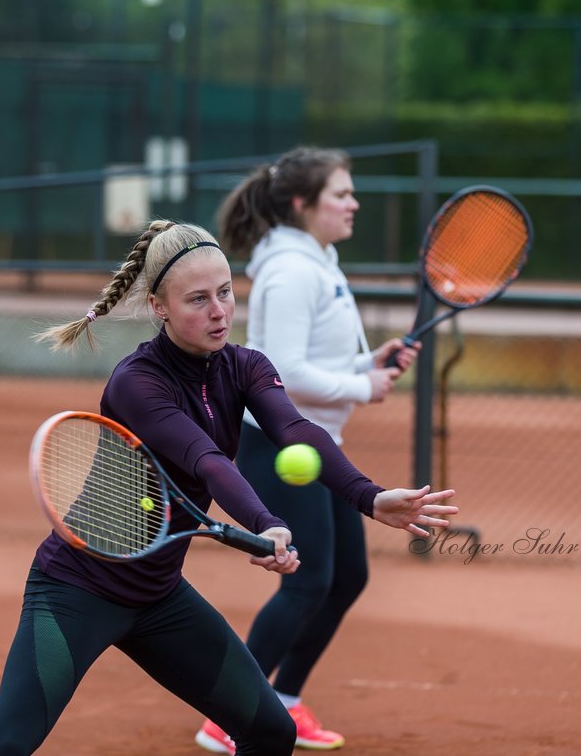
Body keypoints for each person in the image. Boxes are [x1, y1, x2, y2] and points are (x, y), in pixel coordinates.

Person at [0, 219, 457, 755]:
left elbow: (297, 430)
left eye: (224, 293)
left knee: (271, 730)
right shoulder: (137, 382)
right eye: (197, 299)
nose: (219, 311)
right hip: (78, 588)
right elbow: (207, 462)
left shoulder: (246, 366)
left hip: (158, 596)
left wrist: (369, 495)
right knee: (6, 746)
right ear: (159, 307)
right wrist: (267, 523)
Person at [193, 147, 420, 753]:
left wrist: (362, 363)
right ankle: (227, 712)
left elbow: (312, 360)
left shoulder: (318, 260)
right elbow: (283, 371)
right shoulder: (292, 271)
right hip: (277, 444)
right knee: (308, 580)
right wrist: (360, 386)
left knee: (346, 577)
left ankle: (285, 700)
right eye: (340, 194)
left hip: (315, 443)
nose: (353, 203)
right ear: (302, 204)